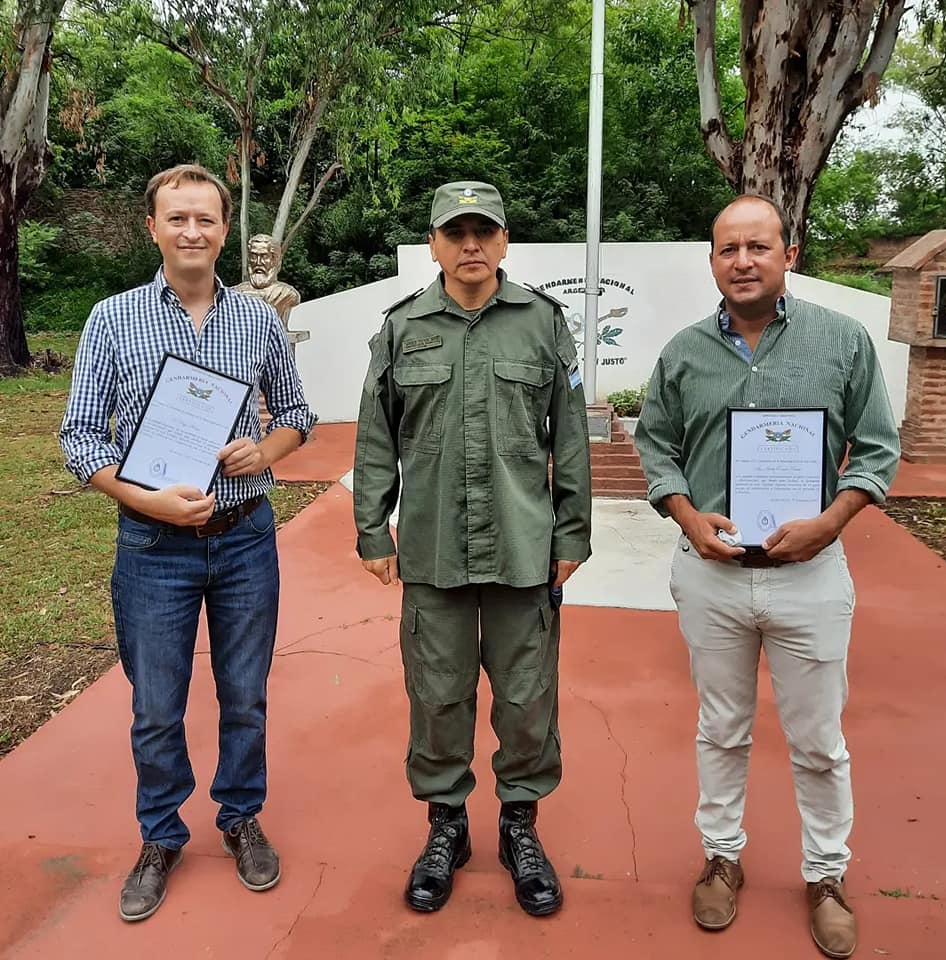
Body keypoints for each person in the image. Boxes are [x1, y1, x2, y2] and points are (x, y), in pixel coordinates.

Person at [635, 195, 900, 959]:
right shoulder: (684, 352)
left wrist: (831, 520)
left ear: (789, 253)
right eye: (728, 249)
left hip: (810, 576)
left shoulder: (842, 342)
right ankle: (722, 858)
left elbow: (879, 449)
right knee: (721, 728)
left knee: (819, 741)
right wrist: (686, 516)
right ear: (712, 262)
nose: (743, 261)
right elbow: (657, 447)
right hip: (711, 575)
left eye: (758, 246)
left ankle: (826, 875)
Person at [60, 164, 316, 922]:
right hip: (152, 546)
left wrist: (263, 453)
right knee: (156, 705)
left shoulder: (258, 320)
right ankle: (160, 835)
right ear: (153, 227)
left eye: (206, 219)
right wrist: (146, 501)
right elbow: (79, 438)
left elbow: (298, 412)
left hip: (244, 541)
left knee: (245, 697)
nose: (192, 231)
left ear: (226, 230)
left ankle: (239, 816)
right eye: (178, 219)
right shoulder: (112, 319)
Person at [353, 180, 592, 916]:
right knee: (437, 696)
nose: (470, 246)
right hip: (430, 549)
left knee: (526, 701)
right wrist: (371, 526)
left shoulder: (543, 324)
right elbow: (374, 437)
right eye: (454, 233)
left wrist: (573, 532)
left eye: (483, 231)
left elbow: (572, 437)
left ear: (504, 240)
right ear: (432, 244)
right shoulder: (401, 328)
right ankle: (446, 827)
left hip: (524, 548)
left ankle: (520, 824)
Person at [233, 234, 301, 328]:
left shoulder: (286, 293)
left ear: (275, 260)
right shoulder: (235, 292)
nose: (258, 262)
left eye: (264, 256)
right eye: (253, 256)